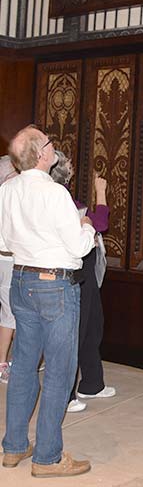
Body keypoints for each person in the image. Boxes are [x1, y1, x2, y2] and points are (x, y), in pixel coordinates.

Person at [0, 126, 93, 478]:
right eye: (50, 142)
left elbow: (3, 241)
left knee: (24, 364)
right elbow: (79, 247)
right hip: (54, 286)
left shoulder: (7, 190)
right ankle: (48, 456)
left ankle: (14, 447)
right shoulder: (55, 193)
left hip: (21, 281)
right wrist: (86, 226)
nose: (55, 146)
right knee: (59, 370)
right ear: (41, 154)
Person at [50, 150, 115, 413]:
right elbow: (99, 223)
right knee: (76, 329)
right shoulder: (58, 196)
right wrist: (101, 193)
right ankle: (65, 395)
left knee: (92, 325)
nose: (72, 165)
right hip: (72, 268)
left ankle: (92, 382)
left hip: (85, 267)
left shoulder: (65, 194)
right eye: (68, 163)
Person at [0, 156, 18, 384]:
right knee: (11, 313)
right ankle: (3, 363)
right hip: (8, 260)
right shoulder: (8, 195)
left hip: (11, 259)